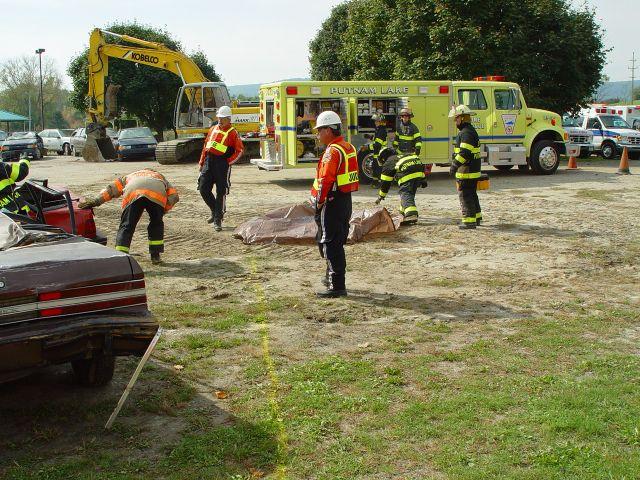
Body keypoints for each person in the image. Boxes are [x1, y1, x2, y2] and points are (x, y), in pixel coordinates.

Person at [78, 169, 179, 264]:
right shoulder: (159, 176)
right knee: (156, 224)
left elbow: (110, 190)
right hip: (156, 194)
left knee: (127, 225)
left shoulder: (129, 177)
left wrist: (96, 201)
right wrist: (163, 210)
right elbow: (174, 196)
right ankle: (155, 256)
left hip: (133, 192)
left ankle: (121, 256)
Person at [311, 110, 359, 298]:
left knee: (329, 243)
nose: (317, 134)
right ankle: (331, 276)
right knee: (335, 241)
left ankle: (336, 286)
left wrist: (319, 202)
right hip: (344, 200)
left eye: (319, 130)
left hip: (330, 202)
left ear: (329, 130)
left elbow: (325, 180)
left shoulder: (332, 151)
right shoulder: (348, 147)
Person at [198, 105, 244, 231]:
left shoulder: (233, 132)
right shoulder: (212, 129)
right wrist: (202, 162)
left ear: (229, 119)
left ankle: (218, 219)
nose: (220, 120)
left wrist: (228, 162)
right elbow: (205, 147)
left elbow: (239, 151)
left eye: (223, 118)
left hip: (222, 164)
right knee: (203, 189)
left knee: (221, 192)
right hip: (209, 161)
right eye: (219, 117)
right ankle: (214, 211)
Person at [449, 105, 482, 229]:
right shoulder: (470, 130)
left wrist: (454, 165)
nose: (455, 121)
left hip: (467, 171)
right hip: (472, 170)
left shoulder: (466, 133)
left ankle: (469, 221)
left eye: (456, 118)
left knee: (465, 195)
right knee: (472, 194)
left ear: (462, 118)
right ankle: (476, 217)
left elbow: (464, 153)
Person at [374, 147, 425, 225]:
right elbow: (417, 163)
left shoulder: (389, 162)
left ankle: (411, 214)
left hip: (408, 171)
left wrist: (381, 196)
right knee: (410, 194)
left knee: (405, 192)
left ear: (383, 158)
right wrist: (423, 179)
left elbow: (385, 183)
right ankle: (403, 213)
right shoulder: (401, 156)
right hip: (418, 166)